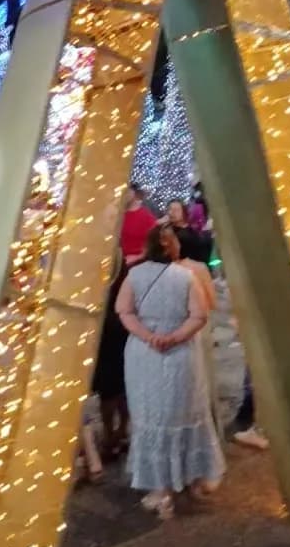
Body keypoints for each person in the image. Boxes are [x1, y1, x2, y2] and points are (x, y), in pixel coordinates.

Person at [116, 223, 224, 519]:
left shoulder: (135, 275)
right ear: (170, 245)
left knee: (150, 415)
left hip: (144, 354)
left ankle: (159, 490)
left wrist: (148, 335)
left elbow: (123, 310)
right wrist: (174, 337)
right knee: (184, 412)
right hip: (180, 354)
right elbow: (199, 315)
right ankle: (193, 476)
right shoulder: (186, 276)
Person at [91, 250, 129, 459]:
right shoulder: (118, 256)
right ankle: (121, 431)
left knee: (108, 389)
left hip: (104, 325)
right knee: (122, 385)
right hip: (122, 323)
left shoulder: (98, 249)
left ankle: (109, 434)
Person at [120, 184, 157, 266]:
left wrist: (140, 256)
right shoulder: (116, 214)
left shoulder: (147, 217)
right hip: (117, 262)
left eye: (127, 191)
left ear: (134, 193)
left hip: (136, 264)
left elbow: (155, 243)